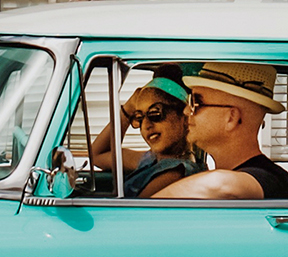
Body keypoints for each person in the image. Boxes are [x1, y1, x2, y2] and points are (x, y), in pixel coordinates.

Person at [154, 62, 288, 201]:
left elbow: (220, 185)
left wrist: (142, 209)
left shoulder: (270, 178)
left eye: (196, 102)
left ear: (231, 118)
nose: (186, 111)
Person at [79, 67, 206, 199]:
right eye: (139, 118)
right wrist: (128, 108)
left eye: (155, 114)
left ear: (184, 116)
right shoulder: (153, 159)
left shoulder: (173, 174)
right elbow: (97, 155)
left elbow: (133, 215)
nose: (145, 126)